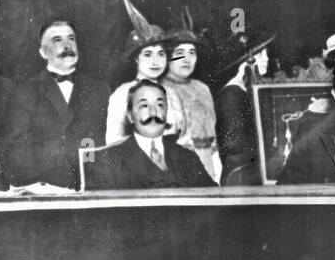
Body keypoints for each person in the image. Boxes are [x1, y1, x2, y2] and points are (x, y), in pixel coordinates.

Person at [1, 19, 109, 189]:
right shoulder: (24, 92)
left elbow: (106, 143)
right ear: (43, 52)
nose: (67, 45)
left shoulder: (100, 90)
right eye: (57, 40)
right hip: (44, 191)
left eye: (71, 39)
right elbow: (17, 150)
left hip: (92, 187)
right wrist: (40, 186)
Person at [86, 80, 216, 190]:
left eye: (159, 105)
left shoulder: (187, 156)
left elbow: (214, 199)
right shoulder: (108, 161)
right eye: (144, 105)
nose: (153, 112)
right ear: (130, 116)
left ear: (166, 112)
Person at [104, 23, 181, 144]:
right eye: (148, 54)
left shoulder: (171, 94)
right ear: (136, 58)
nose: (155, 61)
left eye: (161, 54)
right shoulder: (122, 94)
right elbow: (114, 141)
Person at [215, 30, 275, 185]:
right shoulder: (231, 94)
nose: (266, 59)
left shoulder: (250, 90)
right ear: (246, 61)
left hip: (255, 172)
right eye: (261, 54)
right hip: (240, 177)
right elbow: (234, 144)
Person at [162, 28, 220, 182]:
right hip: (180, 170)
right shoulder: (159, 91)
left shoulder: (202, 88)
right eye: (180, 52)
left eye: (192, 52)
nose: (187, 58)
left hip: (210, 166)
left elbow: (213, 136)